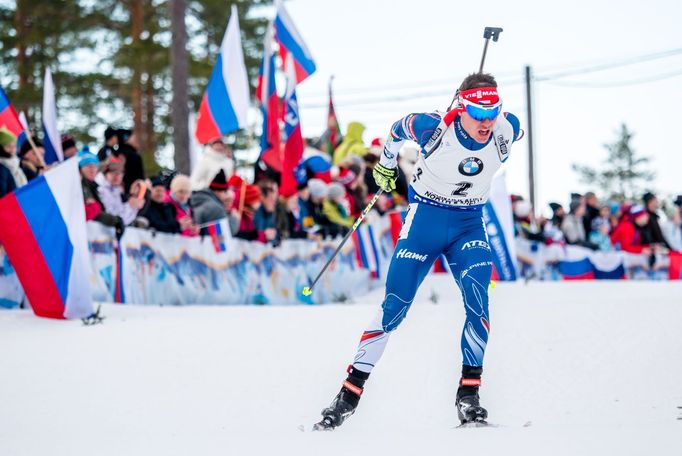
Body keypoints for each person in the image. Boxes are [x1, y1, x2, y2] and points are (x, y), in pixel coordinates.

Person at [314, 72, 521, 430]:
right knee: (393, 309)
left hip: (468, 225)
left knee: (479, 303)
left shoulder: (507, 128)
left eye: (494, 112)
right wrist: (386, 164)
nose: (488, 122)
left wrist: (495, 118)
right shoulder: (431, 128)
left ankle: (469, 396)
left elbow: (509, 128)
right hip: (424, 223)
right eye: (478, 113)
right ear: (461, 107)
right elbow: (396, 129)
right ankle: (348, 394)